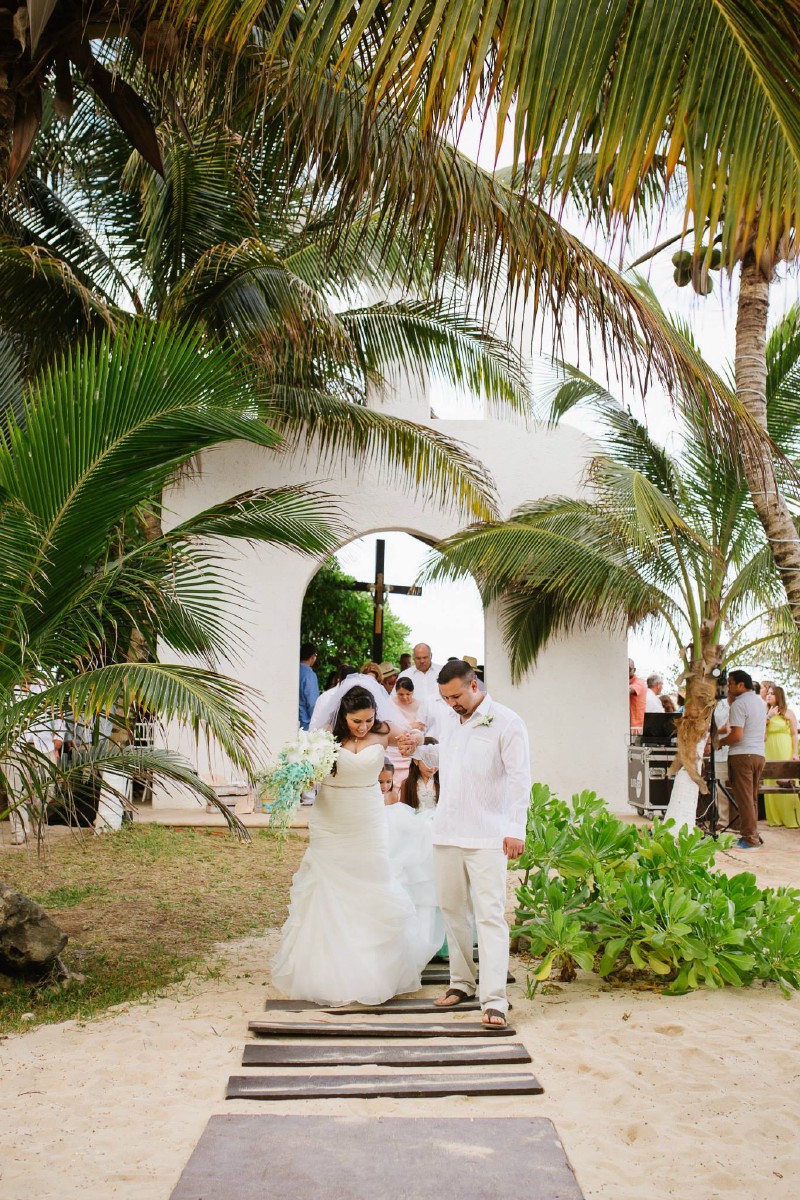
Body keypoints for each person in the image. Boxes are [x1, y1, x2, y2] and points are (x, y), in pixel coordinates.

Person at [272, 678, 430, 1005]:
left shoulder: (383, 730)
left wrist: (414, 737)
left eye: (368, 720)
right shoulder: (324, 738)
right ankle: (325, 970)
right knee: (328, 883)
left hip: (367, 815)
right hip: (331, 816)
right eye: (357, 721)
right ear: (344, 714)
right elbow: (308, 773)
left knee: (372, 879)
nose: (363, 726)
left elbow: (413, 738)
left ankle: (374, 969)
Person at [402, 659, 531, 1027]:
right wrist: (416, 748)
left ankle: (494, 1000)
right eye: (445, 698)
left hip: (488, 834)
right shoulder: (447, 720)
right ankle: (461, 982)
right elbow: (440, 759)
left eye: (456, 696)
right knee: (452, 911)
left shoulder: (507, 722)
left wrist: (515, 829)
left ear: (474, 685)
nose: (451, 704)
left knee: (490, 916)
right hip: (446, 830)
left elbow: (521, 779)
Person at [716, 669, 767, 849]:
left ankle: (749, 838)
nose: (728, 687)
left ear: (740, 685)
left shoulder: (739, 704)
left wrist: (720, 743)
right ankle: (752, 833)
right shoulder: (760, 702)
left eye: (730, 683)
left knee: (744, 798)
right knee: (751, 798)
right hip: (758, 754)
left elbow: (737, 735)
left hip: (742, 755)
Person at [763, 685, 800, 827]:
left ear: (779, 696)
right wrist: (769, 717)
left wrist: (795, 752)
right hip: (769, 748)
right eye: (768, 693)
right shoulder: (765, 713)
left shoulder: (788, 712)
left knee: (787, 779)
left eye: (772, 694)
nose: (769, 696)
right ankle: (775, 818)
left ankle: (791, 817)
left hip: (785, 747)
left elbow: (794, 734)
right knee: (770, 780)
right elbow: (762, 734)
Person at [298, 642, 320, 731]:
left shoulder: (293, 670)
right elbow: (312, 703)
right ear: (312, 656)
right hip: (305, 725)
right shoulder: (309, 675)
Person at [629, 659, 647, 734]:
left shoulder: (639, 682)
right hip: (628, 726)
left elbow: (629, 690)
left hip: (635, 728)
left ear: (634, 670)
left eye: (629, 669)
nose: (626, 671)